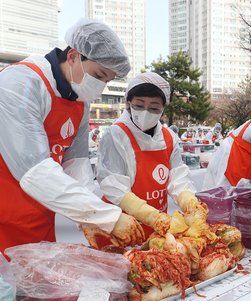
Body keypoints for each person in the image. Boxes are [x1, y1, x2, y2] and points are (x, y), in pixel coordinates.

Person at [0, 18, 145, 253]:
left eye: (107, 81)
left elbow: (76, 165)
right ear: (73, 56)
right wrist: (105, 216)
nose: (100, 88)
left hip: (39, 221)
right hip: (4, 221)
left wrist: (88, 218)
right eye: (98, 75)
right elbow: (34, 171)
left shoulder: (79, 101)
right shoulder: (20, 83)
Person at [97, 72, 197, 238]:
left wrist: (188, 200)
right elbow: (114, 186)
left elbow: (178, 177)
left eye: (153, 107)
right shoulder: (117, 134)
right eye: (139, 104)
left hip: (158, 228)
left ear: (163, 109)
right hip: (122, 226)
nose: (145, 112)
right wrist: (147, 214)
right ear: (128, 102)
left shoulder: (168, 137)